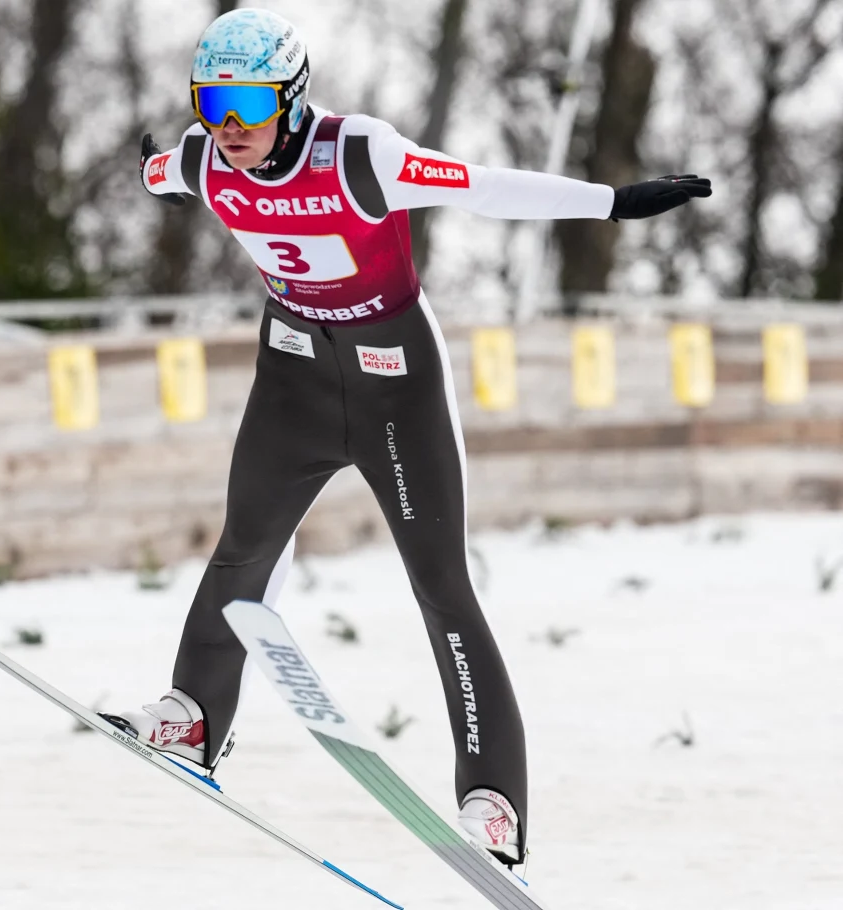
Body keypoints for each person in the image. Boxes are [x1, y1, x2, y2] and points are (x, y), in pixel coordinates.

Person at [107, 8, 711, 866]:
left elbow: (482, 185)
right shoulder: (206, 158)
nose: (228, 121)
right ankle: (195, 718)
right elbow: (166, 173)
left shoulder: (361, 158)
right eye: (211, 100)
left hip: (396, 383)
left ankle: (493, 800)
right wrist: (149, 171)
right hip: (293, 378)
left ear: (289, 93)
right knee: (244, 549)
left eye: (245, 99)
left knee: (440, 582)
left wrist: (612, 203)